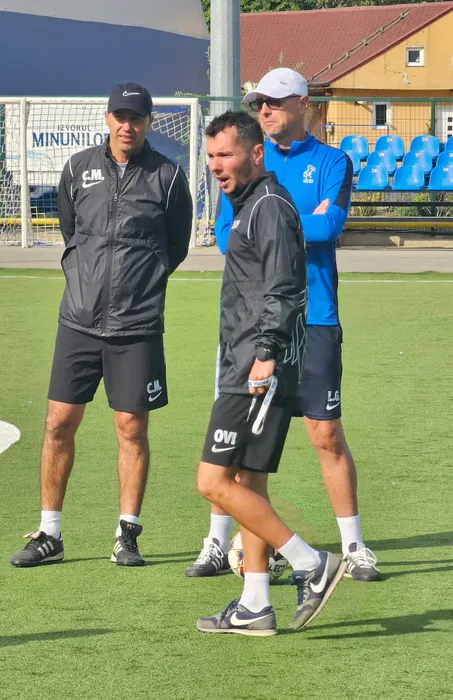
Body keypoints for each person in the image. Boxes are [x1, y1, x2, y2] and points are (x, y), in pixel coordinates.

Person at [186, 68, 379, 583]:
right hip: (255, 326)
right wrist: (299, 222)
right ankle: (217, 543)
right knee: (239, 447)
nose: (265, 110)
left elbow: (331, 226)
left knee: (326, 433)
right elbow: (227, 236)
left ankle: (354, 547)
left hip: (315, 318)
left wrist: (280, 224)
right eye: (258, 103)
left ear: (303, 102)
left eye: (273, 101)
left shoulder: (332, 161)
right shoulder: (245, 158)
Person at [10, 82, 193, 568]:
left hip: (136, 325)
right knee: (57, 422)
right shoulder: (77, 168)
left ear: (150, 122)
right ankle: (49, 534)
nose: (127, 125)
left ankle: (126, 534)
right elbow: (71, 231)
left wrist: (141, 284)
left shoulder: (169, 177)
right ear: (107, 118)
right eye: (120, 116)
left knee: (131, 428)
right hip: (79, 319)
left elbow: (176, 247)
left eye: (136, 117)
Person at [195, 110, 345, 636]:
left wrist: (265, 354)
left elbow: (285, 287)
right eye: (211, 156)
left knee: (212, 481)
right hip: (248, 361)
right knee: (248, 480)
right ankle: (255, 603)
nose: (216, 165)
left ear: (256, 154)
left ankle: (310, 563)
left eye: (226, 154)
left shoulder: (270, 207)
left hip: (256, 368)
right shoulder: (248, 205)